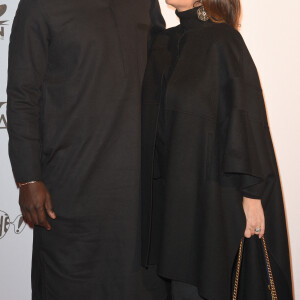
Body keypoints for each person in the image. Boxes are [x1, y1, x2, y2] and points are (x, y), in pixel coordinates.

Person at [6, 0, 170, 299]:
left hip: (137, 188)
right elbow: (21, 96)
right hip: (69, 188)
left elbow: (165, 69)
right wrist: (29, 178)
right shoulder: (39, 6)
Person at [141, 0, 293, 299]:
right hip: (171, 201)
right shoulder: (162, 43)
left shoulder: (223, 40)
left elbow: (245, 115)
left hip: (212, 197)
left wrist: (252, 195)